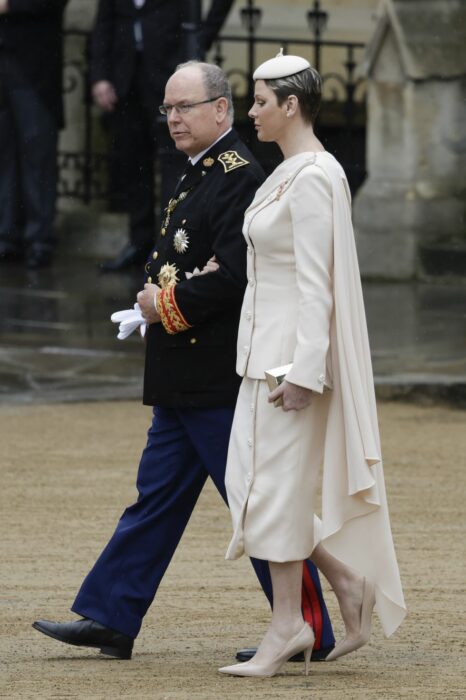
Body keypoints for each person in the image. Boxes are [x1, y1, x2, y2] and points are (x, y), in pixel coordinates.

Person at [32, 61, 335, 662]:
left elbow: (235, 280)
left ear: (220, 110)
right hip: (182, 371)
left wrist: (161, 306)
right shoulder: (199, 170)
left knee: (257, 504)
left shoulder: (240, 175)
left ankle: (314, 625)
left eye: (185, 107)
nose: (173, 119)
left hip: (216, 371)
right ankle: (111, 616)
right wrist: (150, 309)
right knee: (156, 499)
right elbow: (179, 259)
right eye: (167, 109)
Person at [218, 51, 407, 678]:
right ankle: (348, 584)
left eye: (260, 101)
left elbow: (317, 284)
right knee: (252, 485)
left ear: (290, 105)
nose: (251, 111)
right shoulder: (285, 172)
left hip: (287, 361)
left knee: (271, 492)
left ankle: (288, 626)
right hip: (258, 354)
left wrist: (303, 371)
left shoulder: (319, 175)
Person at [93, 0, 235, 272]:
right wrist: (100, 75)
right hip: (126, 76)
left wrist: (200, 39)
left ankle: (169, 248)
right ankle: (139, 242)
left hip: (170, 70)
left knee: (176, 165)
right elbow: (104, 22)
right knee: (132, 161)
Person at [0, 0, 68, 270]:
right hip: (4, 68)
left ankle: (39, 240)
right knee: (4, 156)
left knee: (36, 154)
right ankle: (7, 236)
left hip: (33, 72)